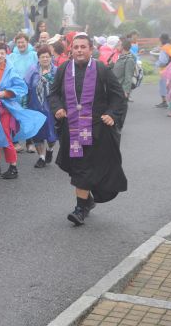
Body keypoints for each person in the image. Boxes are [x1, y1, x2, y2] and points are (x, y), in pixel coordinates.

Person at [49, 33, 128, 226]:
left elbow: (118, 96)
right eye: (75, 47)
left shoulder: (101, 69)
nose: (79, 50)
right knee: (79, 169)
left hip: (97, 130)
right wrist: (58, 108)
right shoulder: (64, 69)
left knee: (85, 170)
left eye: (83, 47)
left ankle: (80, 209)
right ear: (71, 50)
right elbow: (53, 94)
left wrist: (112, 114)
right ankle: (86, 202)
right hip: (72, 130)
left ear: (90, 49)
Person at [0, 42, 45, 179]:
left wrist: (6, 93)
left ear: (6, 54)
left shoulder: (11, 70)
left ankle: (13, 167)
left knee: (5, 136)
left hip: (5, 109)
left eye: (2, 53)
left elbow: (21, 87)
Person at [24, 45, 57, 169]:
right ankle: (41, 158)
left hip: (52, 107)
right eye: (42, 57)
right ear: (38, 58)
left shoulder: (56, 71)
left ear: (51, 58)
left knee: (52, 136)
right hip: (35, 107)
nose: (45, 59)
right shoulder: (32, 71)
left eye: (47, 57)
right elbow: (25, 86)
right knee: (37, 134)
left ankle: (50, 149)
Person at [155, 33, 171, 108]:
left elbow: (163, 61)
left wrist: (156, 63)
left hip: (166, 70)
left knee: (163, 86)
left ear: (161, 39)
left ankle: (164, 102)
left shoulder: (164, 48)